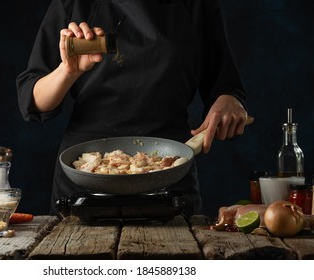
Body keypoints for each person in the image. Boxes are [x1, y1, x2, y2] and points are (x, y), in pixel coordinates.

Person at [16, 0, 249, 217]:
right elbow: (33, 100)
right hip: (86, 174)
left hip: (169, 169)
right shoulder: (73, 4)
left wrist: (230, 100)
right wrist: (68, 72)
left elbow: (226, 86)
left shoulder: (197, 4)